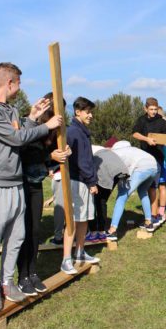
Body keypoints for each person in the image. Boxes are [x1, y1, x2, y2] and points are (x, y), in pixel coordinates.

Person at [0, 62, 62, 311]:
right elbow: (15, 137)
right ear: (9, 82)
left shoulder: (10, 111)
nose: (20, 88)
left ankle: (6, 282)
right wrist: (47, 125)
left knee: (16, 237)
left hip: (15, 183)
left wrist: (33, 118)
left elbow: (21, 137)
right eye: (19, 83)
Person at [17, 92, 71, 296]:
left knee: (36, 230)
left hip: (36, 184)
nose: (61, 115)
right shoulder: (27, 124)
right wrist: (50, 155)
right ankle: (22, 276)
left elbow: (43, 161)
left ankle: (32, 273)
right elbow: (24, 152)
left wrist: (60, 155)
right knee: (23, 232)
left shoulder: (51, 131)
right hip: (20, 183)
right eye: (59, 111)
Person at [61, 97, 100, 275]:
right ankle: (66, 259)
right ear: (78, 112)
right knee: (73, 220)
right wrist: (92, 181)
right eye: (88, 111)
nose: (90, 115)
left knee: (84, 219)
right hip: (77, 181)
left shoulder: (83, 131)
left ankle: (80, 252)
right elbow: (80, 161)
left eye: (91, 112)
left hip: (84, 181)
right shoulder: (74, 132)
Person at [107, 140, 159, 236]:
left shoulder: (117, 154)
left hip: (142, 168)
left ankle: (112, 230)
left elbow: (120, 173)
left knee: (122, 196)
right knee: (142, 191)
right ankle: (148, 222)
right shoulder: (132, 150)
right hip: (154, 166)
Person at [132, 97, 166, 226]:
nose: (154, 112)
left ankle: (154, 216)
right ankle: (148, 215)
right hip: (144, 158)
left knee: (153, 187)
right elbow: (135, 133)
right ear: (145, 108)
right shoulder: (141, 120)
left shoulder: (161, 122)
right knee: (144, 187)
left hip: (157, 158)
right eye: (151, 109)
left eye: (155, 109)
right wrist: (146, 139)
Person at [86, 144, 129, 242]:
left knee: (95, 201)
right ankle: (101, 231)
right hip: (120, 170)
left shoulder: (86, 149)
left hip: (105, 168)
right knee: (101, 200)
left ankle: (94, 232)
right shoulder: (97, 147)